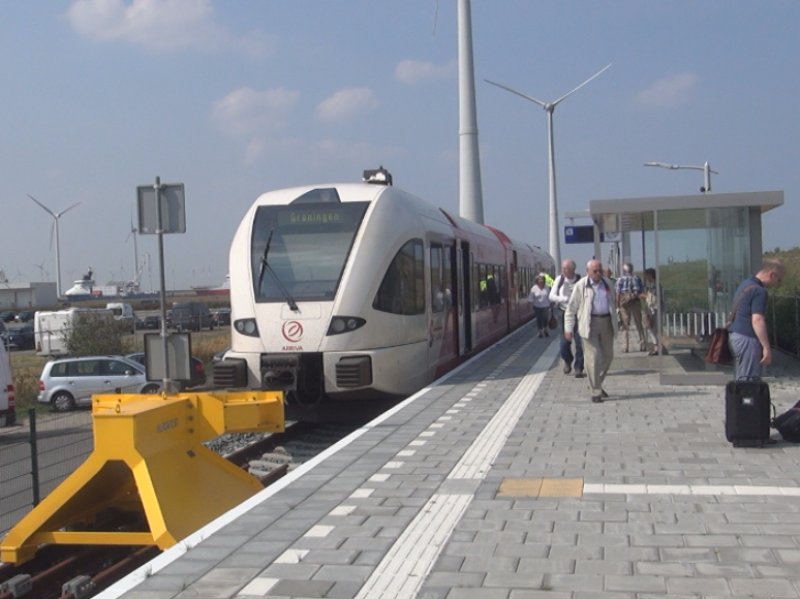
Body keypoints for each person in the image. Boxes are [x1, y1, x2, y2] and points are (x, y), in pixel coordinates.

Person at [564, 260, 617, 403]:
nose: (598, 273)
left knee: (608, 357)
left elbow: (613, 302)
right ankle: (596, 392)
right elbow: (571, 309)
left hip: (606, 323)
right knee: (592, 358)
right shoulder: (581, 286)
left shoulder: (608, 284)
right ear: (587, 271)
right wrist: (568, 329)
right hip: (589, 324)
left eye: (600, 270)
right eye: (595, 271)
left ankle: (596, 382)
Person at [729, 258, 785, 381]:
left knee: (741, 376)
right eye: (779, 280)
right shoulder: (760, 291)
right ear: (772, 275)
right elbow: (757, 320)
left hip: (736, 335)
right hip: (747, 338)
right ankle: (746, 400)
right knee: (749, 381)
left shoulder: (746, 284)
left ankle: (739, 399)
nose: (778, 284)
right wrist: (766, 347)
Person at [549, 259, 585, 377]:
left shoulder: (581, 280)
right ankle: (567, 360)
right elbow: (552, 296)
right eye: (563, 268)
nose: (564, 270)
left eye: (566, 268)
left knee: (580, 342)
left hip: (578, 313)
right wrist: (563, 299)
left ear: (572, 270)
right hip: (563, 313)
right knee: (564, 342)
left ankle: (579, 367)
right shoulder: (560, 280)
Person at [615, 262, 647, 353]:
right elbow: (641, 291)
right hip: (635, 302)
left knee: (625, 326)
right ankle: (643, 344)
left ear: (624, 270)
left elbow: (617, 293)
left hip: (624, 304)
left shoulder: (620, 279)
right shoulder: (637, 278)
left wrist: (617, 305)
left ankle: (625, 347)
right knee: (639, 324)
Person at [642, 267, 664, 355]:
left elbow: (653, 297)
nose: (646, 278)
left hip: (655, 309)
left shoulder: (656, 285)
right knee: (652, 328)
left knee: (653, 328)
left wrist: (644, 296)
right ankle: (657, 346)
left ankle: (657, 347)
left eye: (646, 276)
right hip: (653, 309)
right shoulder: (653, 285)